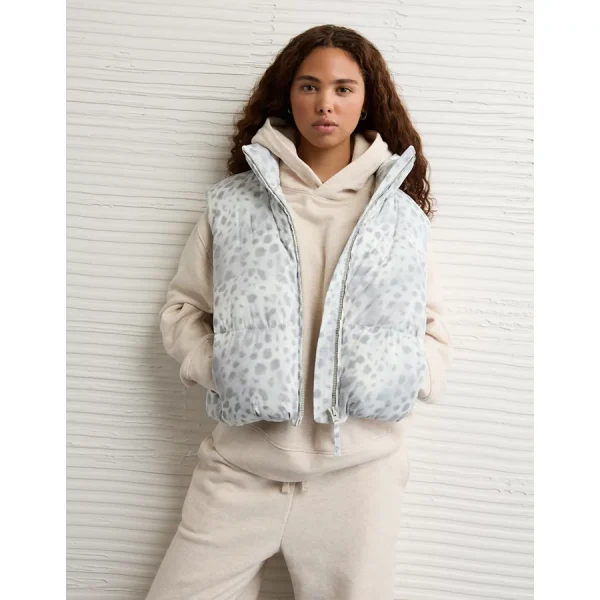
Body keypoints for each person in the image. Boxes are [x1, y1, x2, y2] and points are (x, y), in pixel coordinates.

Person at [146, 24, 453, 600]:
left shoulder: (400, 216)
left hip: (359, 478)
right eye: (309, 86)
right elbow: (183, 309)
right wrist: (221, 368)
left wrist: (413, 376)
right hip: (240, 469)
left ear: (367, 100)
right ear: (288, 95)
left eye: (343, 88)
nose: (325, 103)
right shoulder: (234, 203)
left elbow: (432, 326)